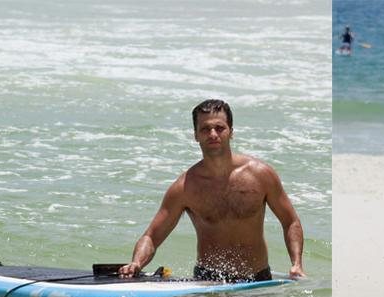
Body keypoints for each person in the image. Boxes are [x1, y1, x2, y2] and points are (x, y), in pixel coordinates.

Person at [119, 99, 306, 282]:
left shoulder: (261, 175)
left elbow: (290, 221)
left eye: (220, 128)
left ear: (231, 132)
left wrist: (296, 263)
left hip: (258, 279)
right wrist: (136, 263)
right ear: (196, 135)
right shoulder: (185, 187)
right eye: (205, 129)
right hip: (208, 281)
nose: (213, 134)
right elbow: (151, 236)